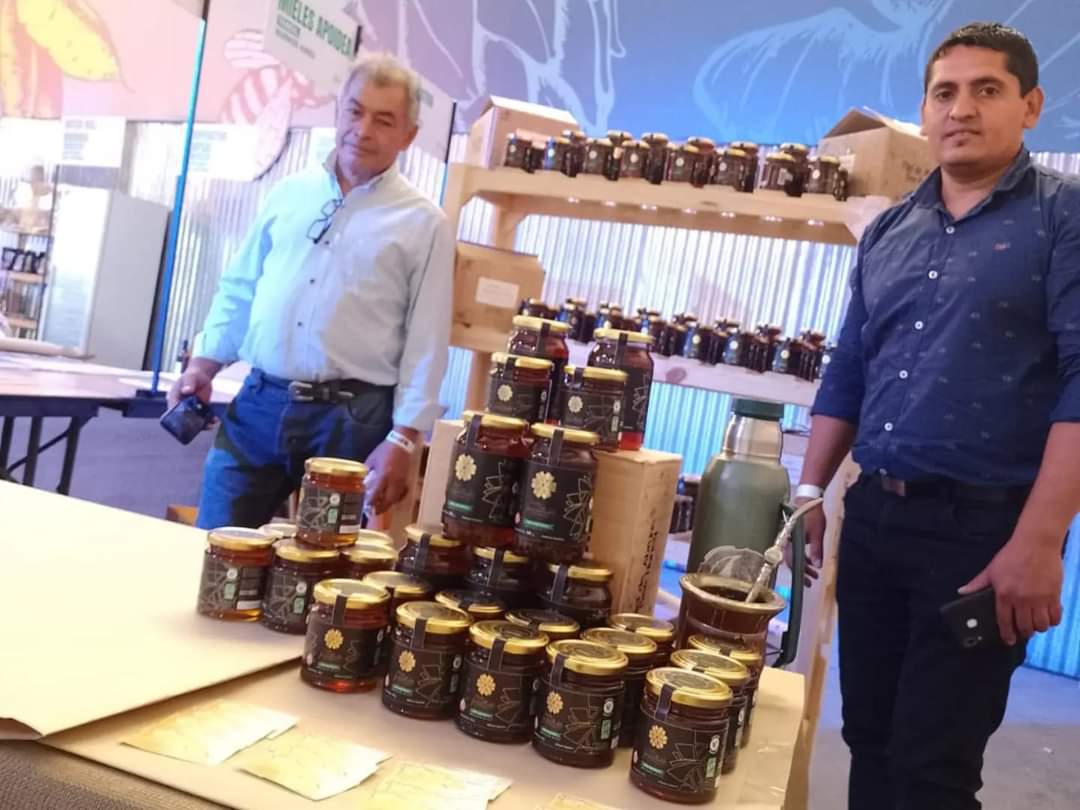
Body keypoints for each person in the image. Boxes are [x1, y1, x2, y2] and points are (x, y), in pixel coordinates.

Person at [794, 22, 1078, 810]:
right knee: (868, 738)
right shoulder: (889, 229)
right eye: (944, 93)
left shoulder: (1063, 219)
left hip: (984, 537)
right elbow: (851, 365)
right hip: (876, 522)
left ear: (1030, 106)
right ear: (924, 111)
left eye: (987, 89)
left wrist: (1040, 542)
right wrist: (811, 489)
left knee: (932, 770)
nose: (962, 109)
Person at [168, 52, 453, 529]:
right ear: (337, 112)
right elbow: (241, 287)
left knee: (326, 566)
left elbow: (427, 339)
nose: (363, 130)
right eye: (354, 111)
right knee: (213, 548)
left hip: (352, 421)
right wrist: (203, 364)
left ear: (409, 135)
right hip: (259, 404)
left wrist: (406, 437)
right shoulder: (289, 193)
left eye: (384, 120)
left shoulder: (425, 224)